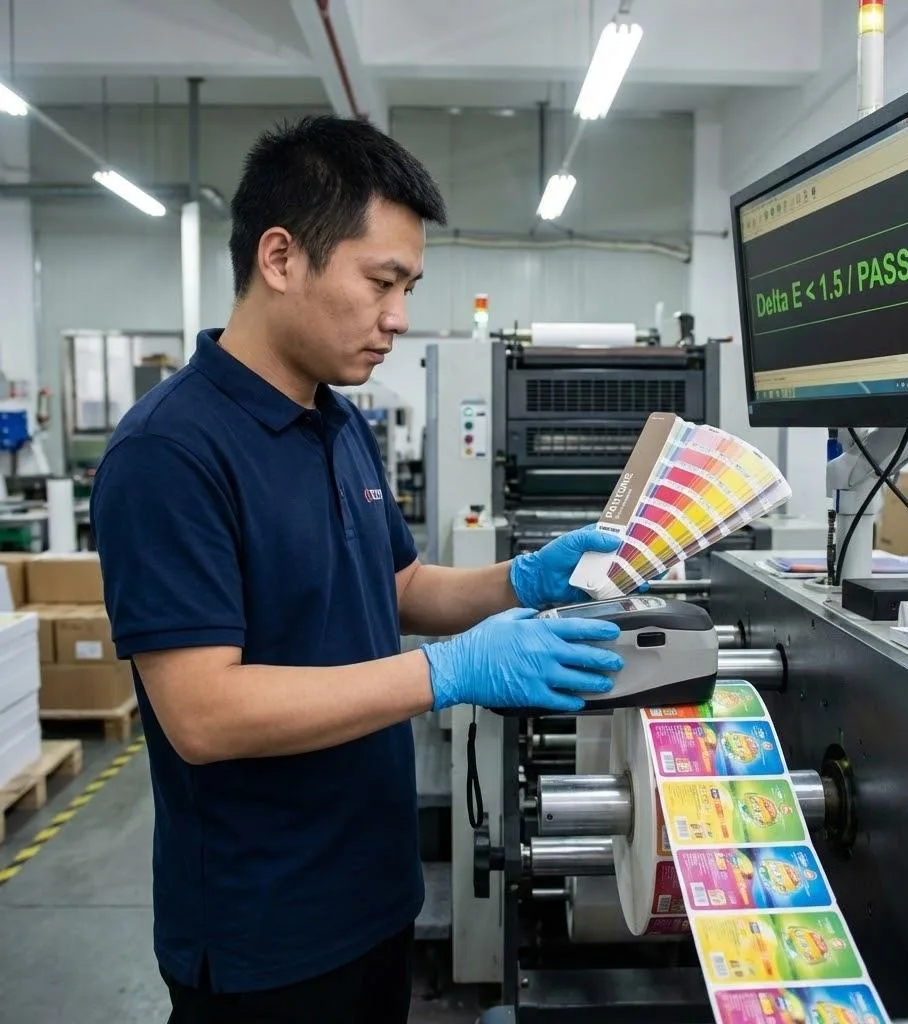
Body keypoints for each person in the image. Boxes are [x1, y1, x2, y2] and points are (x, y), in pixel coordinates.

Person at [90, 115, 625, 1024]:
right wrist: (446, 674)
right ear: (280, 258)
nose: (399, 318)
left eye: (409, 286)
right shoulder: (170, 454)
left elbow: (399, 590)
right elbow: (204, 715)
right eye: (382, 281)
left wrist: (524, 580)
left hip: (374, 901)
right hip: (267, 941)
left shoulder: (337, 422)